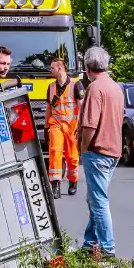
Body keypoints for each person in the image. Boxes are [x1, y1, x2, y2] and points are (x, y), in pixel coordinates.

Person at [77, 46, 124, 261]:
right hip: (112, 150)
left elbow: (89, 125)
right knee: (95, 199)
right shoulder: (115, 87)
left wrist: (83, 149)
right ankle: (90, 243)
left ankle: (107, 249)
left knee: (98, 201)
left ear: (87, 67)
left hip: (97, 151)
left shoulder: (95, 89)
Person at [46, 58, 86, 198]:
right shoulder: (51, 87)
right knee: (55, 151)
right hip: (56, 123)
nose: (50, 70)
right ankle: (55, 183)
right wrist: (46, 126)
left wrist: (80, 127)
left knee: (72, 156)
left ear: (60, 69)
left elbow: (82, 109)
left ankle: (73, 181)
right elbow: (49, 108)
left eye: (52, 68)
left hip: (72, 126)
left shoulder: (76, 85)